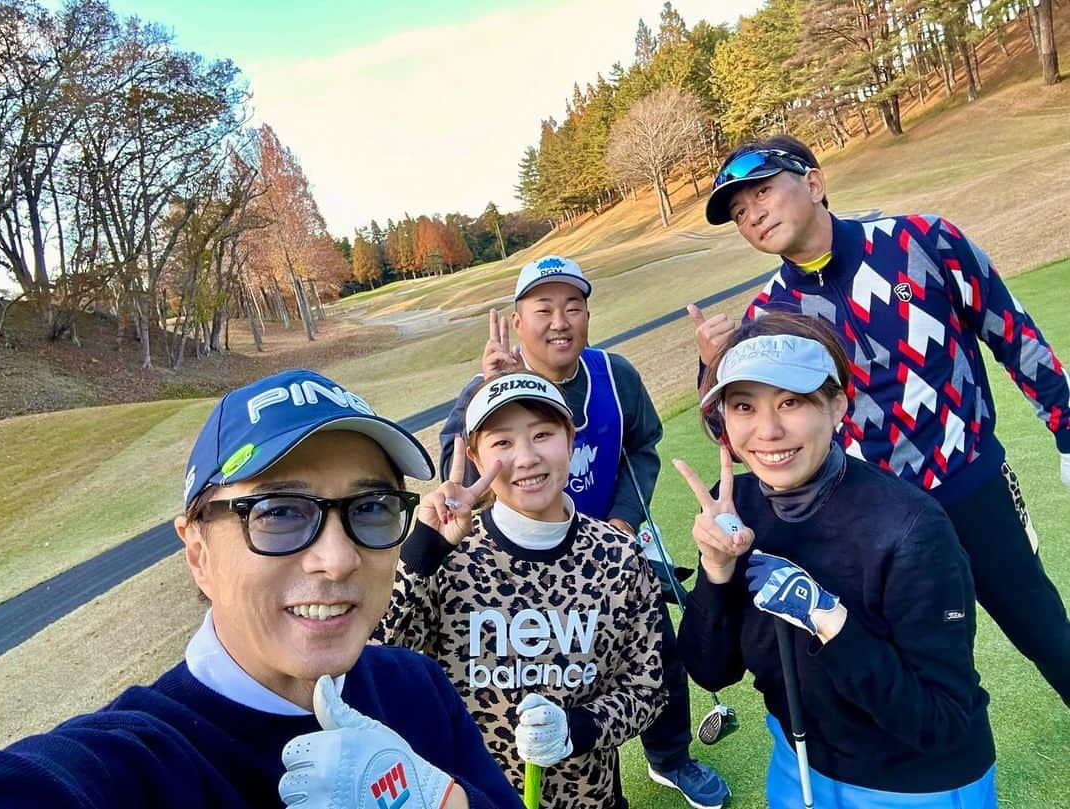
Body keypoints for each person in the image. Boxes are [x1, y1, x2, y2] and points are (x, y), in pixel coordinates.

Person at [0, 369, 522, 809]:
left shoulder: (417, 687)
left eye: (371, 508)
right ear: (198, 552)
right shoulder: (140, 764)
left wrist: (436, 802)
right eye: (279, 513)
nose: (337, 560)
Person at [690, 134, 1070, 705]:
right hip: (876, 522)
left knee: (1043, 630)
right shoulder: (766, 317)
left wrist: (1065, 428)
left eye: (762, 192)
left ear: (814, 183)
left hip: (974, 488)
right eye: (740, 213)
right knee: (915, 672)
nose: (752, 216)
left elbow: (1011, 333)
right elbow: (740, 437)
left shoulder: (924, 241)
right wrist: (710, 365)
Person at [438, 255, 730, 809]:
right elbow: (459, 477)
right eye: (542, 308)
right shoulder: (486, 387)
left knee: (656, 652)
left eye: (573, 307)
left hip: (608, 551)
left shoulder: (615, 375)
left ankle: (670, 758)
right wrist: (488, 388)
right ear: (519, 323)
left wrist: (622, 520)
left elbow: (642, 447)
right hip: (519, 565)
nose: (560, 321)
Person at [676, 311, 997, 808]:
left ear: (836, 405)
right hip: (798, 762)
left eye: (791, 401)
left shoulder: (912, 529)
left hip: (916, 782)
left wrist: (829, 619)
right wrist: (716, 574)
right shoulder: (735, 507)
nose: (768, 430)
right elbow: (711, 672)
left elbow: (941, 722)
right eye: (744, 406)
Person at [381, 370, 667, 809]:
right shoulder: (449, 555)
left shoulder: (619, 556)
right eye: (502, 443)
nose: (527, 457)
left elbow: (647, 688)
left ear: (570, 440)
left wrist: (578, 728)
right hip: (472, 797)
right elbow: (379, 657)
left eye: (542, 434)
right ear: (475, 456)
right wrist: (422, 552)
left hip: (591, 799)